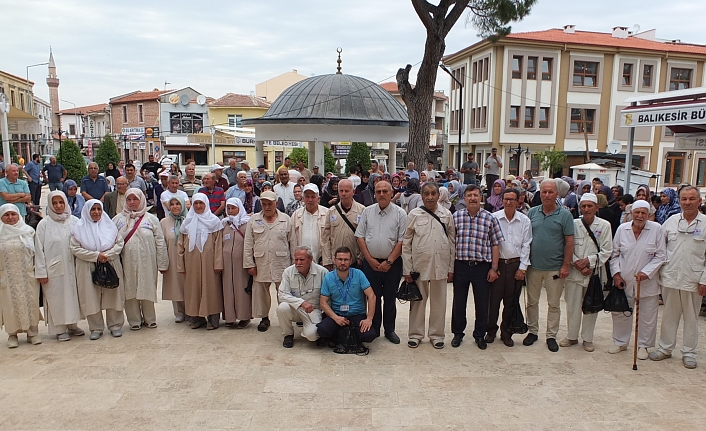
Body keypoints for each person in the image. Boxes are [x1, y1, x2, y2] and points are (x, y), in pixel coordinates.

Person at [650, 186, 706, 368]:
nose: (687, 203)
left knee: (691, 318)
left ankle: (689, 352)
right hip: (671, 277)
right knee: (668, 315)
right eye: (684, 199)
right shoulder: (671, 222)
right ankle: (665, 348)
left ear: (699, 201)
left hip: (694, 279)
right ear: (680, 201)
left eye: (691, 199)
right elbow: (659, 248)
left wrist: (704, 280)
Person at [402, 182, 455, 349]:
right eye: (427, 194)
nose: (430, 197)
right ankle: (415, 334)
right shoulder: (414, 214)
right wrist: (407, 268)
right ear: (422, 195)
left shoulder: (446, 215)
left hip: (441, 265)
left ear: (438, 195)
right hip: (419, 266)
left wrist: (451, 268)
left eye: (433, 193)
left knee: (439, 302)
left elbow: (452, 242)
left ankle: (437, 335)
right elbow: (406, 243)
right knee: (417, 301)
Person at [524, 179, 575, 352]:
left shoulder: (565, 215)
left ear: (557, 194)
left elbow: (569, 242)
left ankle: (551, 335)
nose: (546, 195)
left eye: (550, 192)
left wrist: (566, 265)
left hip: (555, 267)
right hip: (533, 267)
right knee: (532, 301)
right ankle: (532, 331)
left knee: (554, 304)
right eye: (544, 192)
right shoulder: (532, 213)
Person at [450, 185, 503, 349]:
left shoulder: (490, 218)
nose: (472, 198)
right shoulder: (456, 217)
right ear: (464, 198)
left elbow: (495, 244)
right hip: (460, 266)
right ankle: (458, 333)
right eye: (469, 195)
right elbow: (450, 243)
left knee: (482, 303)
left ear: (481, 198)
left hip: (482, 267)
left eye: (475, 195)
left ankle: (480, 334)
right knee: (459, 302)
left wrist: (494, 268)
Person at [610, 200, 665, 358]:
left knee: (647, 316)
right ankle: (620, 342)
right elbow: (614, 255)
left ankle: (644, 345)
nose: (640, 216)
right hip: (625, 279)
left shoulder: (656, 229)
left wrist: (646, 272)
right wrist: (616, 274)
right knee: (621, 312)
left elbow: (661, 255)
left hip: (647, 281)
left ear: (648, 215)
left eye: (643, 213)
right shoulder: (622, 229)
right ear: (631, 213)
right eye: (637, 212)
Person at [355, 180, 407, 343]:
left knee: (390, 298)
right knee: (374, 296)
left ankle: (389, 330)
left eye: (385, 191)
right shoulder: (367, 212)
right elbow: (360, 237)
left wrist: (389, 262)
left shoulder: (400, 214)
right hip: (371, 264)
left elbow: (402, 241)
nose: (382, 194)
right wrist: (369, 260)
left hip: (393, 264)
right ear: (374, 194)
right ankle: (375, 328)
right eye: (379, 192)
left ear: (392, 193)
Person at [560, 193, 612, 352]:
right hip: (575, 272)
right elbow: (566, 245)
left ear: (597, 207)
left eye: (590, 206)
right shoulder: (573, 224)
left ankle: (588, 339)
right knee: (572, 306)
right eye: (584, 206)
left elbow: (607, 250)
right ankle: (571, 336)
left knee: (592, 306)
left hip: (594, 273)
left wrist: (589, 262)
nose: (587, 209)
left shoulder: (605, 225)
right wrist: (577, 263)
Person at [113, 189, 168, 331]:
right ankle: (134, 320)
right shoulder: (118, 220)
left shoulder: (151, 219)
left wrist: (163, 263)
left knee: (147, 287)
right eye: (129, 199)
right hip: (126, 261)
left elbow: (160, 242)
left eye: (135, 199)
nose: (132, 202)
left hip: (147, 261)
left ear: (141, 200)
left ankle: (150, 319)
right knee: (129, 289)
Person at [70, 200, 125, 340]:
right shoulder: (79, 228)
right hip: (87, 265)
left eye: (99, 209)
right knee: (90, 297)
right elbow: (75, 248)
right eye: (93, 209)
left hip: (110, 262)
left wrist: (107, 255)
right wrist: (95, 256)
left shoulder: (109, 226)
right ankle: (96, 327)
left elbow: (119, 243)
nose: (96, 212)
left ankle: (115, 325)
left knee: (113, 294)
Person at [34, 191, 83, 341]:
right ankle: (59, 329)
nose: (58, 206)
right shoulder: (44, 224)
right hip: (53, 269)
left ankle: (72, 324)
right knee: (57, 297)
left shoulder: (74, 221)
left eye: (61, 202)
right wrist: (41, 271)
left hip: (73, 265)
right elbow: (38, 249)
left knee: (73, 295)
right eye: (54, 203)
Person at [243, 190, 295, 332]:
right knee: (261, 292)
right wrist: (249, 264)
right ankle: (264, 318)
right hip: (261, 262)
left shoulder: (286, 219)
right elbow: (248, 243)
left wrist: (294, 265)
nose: (267, 207)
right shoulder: (254, 219)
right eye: (264, 204)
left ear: (276, 204)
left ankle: (286, 317)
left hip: (281, 262)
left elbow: (293, 243)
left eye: (270, 204)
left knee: (283, 291)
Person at [489, 188, 532, 347]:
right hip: (498, 264)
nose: (508, 202)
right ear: (502, 200)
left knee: (511, 301)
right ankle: (490, 330)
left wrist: (522, 268)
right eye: (505, 199)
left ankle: (506, 331)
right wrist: (492, 267)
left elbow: (527, 244)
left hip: (515, 265)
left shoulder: (524, 220)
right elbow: (489, 243)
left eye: (512, 199)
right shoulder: (494, 218)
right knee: (493, 301)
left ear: (518, 201)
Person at [177, 193, 224, 330]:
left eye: (201, 203)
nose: (198, 206)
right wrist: (181, 265)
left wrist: (218, 263)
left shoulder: (214, 222)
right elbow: (180, 245)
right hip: (191, 263)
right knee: (193, 290)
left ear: (206, 204)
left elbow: (218, 245)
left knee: (211, 290)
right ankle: (197, 318)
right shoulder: (187, 222)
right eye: (195, 203)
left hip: (210, 264)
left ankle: (212, 319)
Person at [317, 247, 376, 353]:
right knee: (322, 330)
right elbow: (323, 302)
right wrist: (335, 318)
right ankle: (346, 336)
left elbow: (372, 296)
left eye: (345, 259)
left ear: (350, 261)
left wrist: (369, 319)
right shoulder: (328, 277)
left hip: (357, 314)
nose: (342, 262)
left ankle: (341, 337)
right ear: (335, 260)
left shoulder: (359, 274)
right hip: (337, 314)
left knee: (370, 335)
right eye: (339, 259)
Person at [0, 204, 42, 348]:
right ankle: (12, 334)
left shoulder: (28, 232)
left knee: (30, 302)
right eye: (6, 215)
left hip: (27, 276)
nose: (10, 218)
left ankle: (33, 333)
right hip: (7, 277)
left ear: (19, 215)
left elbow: (37, 253)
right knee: (10, 305)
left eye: (13, 214)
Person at [277, 246, 328, 347]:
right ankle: (288, 334)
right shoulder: (288, 272)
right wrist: (301, 303)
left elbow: (329, 297)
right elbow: (282, 294)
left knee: (312, 335)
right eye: (296, 259)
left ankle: (310, 329)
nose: (298, 263)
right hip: (295, 308)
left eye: (302, 259)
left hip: (314, 310)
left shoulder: (323, 272)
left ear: (310, 259)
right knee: (282, 307)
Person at [221, 197, 253, 328]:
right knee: (228, 289)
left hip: (241, 264)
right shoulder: (224, 224)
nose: (230, 211)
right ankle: (229, 317)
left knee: (241, 290)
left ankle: (244, 317)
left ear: (239, 208)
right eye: (228, 208)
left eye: (233, 208)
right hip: (227, 264)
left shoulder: (246, 224)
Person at [322, 179, 365, 270]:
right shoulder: (331, 211)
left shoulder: (362, 210)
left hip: (355, 262)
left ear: (353, 192)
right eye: (341, 191)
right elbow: (326, 237)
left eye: (346, 191)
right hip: (335, 262)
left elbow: (366, 235)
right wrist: (327, 260)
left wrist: (361, 257)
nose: (344, 194)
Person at [160, 196, 187, 323]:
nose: (175, 206)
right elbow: (161, 243)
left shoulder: (189, 220)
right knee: (175, 285)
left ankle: (190, 310)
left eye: (178, 204)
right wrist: (162, 262)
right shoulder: (164, 222)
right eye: (172, 204)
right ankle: (179, 312)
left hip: (188, 259)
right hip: (172, 257)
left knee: (188, 285)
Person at [291, 183, 327, 262]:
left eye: (313, 197)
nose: (310, 200)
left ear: (318, 198)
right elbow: (292, 240)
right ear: (303, 198)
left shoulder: (327, 213)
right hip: (301, 262)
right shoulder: (296, 215)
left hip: (321, 260)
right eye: (307, 197)